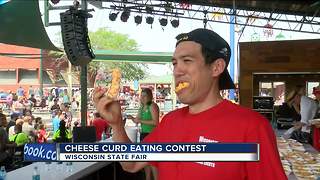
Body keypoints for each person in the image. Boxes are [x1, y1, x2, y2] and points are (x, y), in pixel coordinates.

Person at [93, 28, 286, 179]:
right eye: (175, 63)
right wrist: (116, 124)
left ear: (217, 67)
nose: (177, 71)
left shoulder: (252, 126)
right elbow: (131, 164)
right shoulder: (170, 121)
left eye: (187, 60)